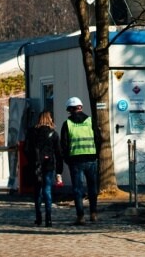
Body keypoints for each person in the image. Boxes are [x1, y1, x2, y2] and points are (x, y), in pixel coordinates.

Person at [60, 96, 99, 224]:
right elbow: (98, 139)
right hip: (91, 158)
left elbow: (64, 145)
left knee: (77, 189)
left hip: (75, 160)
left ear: (70, 110)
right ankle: (93, 213)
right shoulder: (90, 121)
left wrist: (67, 159)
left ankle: (80, 216)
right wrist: (96, 154)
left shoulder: (67, 124)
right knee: (92, 188)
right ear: (81, 107)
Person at [25, 109, 62, 227]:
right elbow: (58, 153)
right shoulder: (53, 134)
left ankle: (38, 217)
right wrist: (59, 171)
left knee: (37, 192)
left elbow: (26, 149)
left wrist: (32, 160)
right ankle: (49, 218)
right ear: (50, 119)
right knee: (47, 190)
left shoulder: (31, 132)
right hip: (49, 165)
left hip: (36, 165)